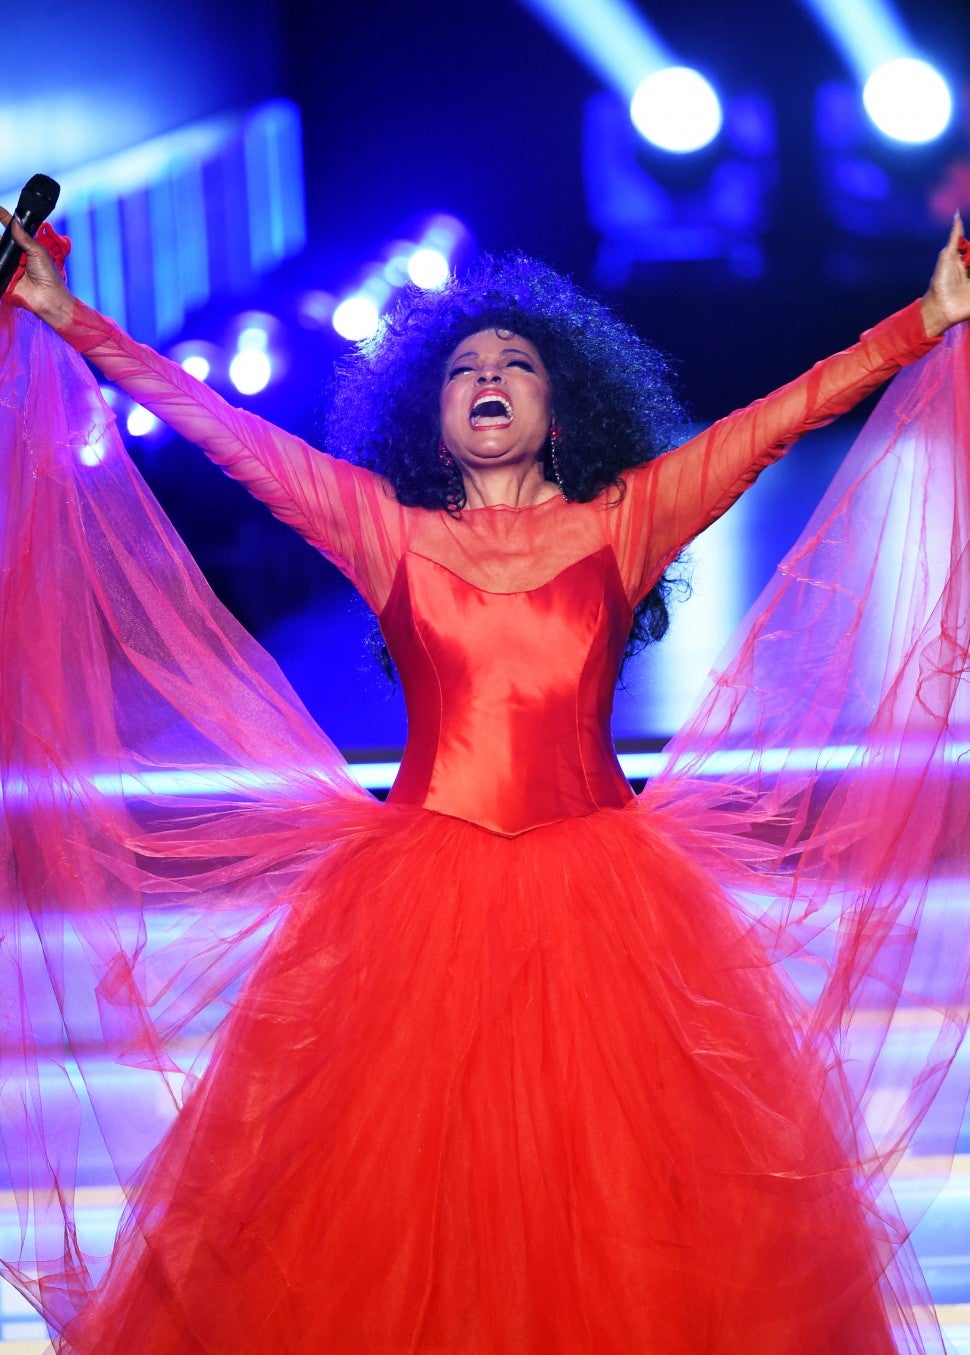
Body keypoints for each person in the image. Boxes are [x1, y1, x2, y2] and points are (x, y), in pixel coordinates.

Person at [2, 205, 970, 1355]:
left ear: (563, 409)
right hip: (414, 908)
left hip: (606, 906)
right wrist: (69, 316)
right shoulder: (379, 527)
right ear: (433, 414)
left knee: (612, 1199)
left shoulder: (628, 518)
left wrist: (924, 321)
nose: (490, 376)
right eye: (464, 368)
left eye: (517, 363)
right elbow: (213, 424)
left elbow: (787, 412)